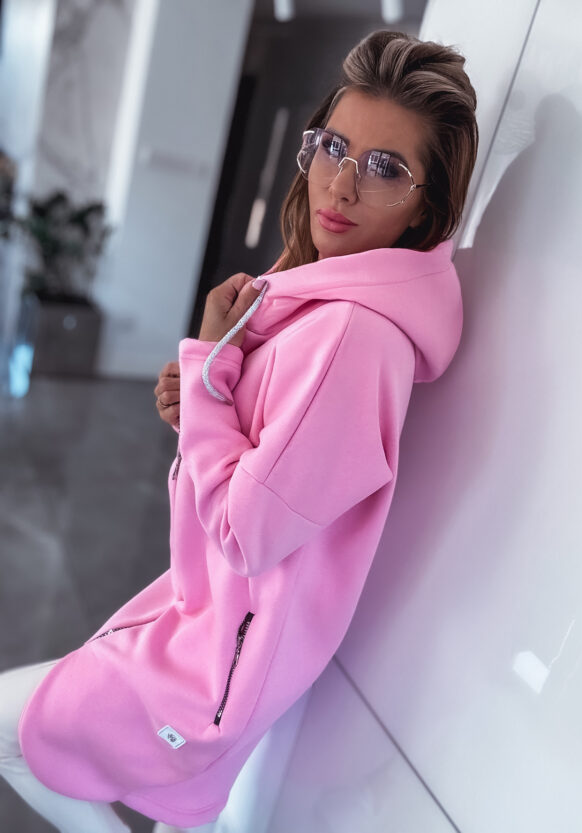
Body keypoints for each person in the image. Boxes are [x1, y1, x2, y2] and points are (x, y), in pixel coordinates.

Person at [0, 28, 478, 833]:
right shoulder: (324, 303)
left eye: (386, 168)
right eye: (335, 147)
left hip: (214, 658)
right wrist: (209, 395)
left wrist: (210, 385)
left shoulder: (352, 336)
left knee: (14, 735)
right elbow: (270, 468)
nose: (342, 184)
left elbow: (245, 530)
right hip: (225, 640)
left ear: (425, 207)